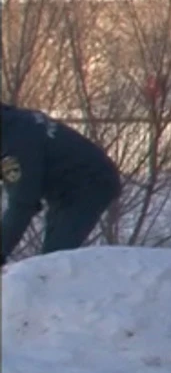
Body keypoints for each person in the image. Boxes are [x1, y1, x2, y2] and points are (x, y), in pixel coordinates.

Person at [1, 103, 122, 265]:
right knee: (50, 260)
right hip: (65, 185)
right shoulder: (12, 121)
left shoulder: (15, 143)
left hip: (89, 182)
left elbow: (23, 204)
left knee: (54, 261)